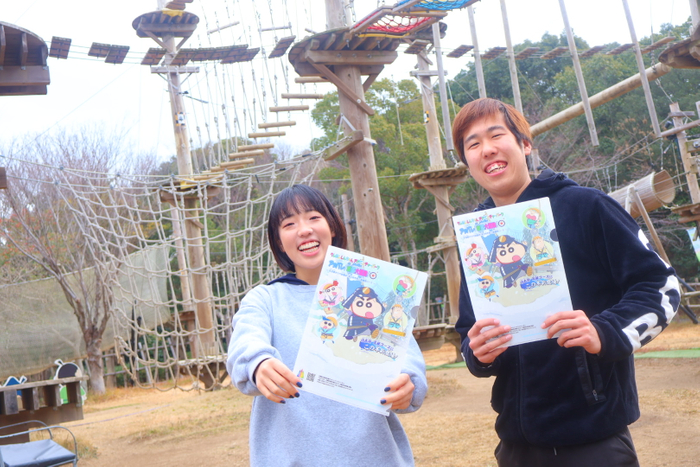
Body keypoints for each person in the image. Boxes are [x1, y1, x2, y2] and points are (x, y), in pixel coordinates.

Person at [452, 98, 681, 467]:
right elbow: (467, 330)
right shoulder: (477, 239)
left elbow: (661, 286)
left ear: (525, 144)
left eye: (497, 135)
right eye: (473, 144)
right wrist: (477, 352)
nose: (487, 149)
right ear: (467, 162)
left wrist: (603, 330)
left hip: (595, 439)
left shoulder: (587, 206)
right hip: (516, 443)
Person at [226, 184, 427, 467]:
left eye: (313, 217)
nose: (304, 229)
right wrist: (257, 363)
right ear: (278, 241)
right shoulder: (266, 299)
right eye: (289, 223)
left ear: (332, 226)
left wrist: (408, 384)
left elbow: (408, 364)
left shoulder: (372, 292)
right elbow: (245, 343)